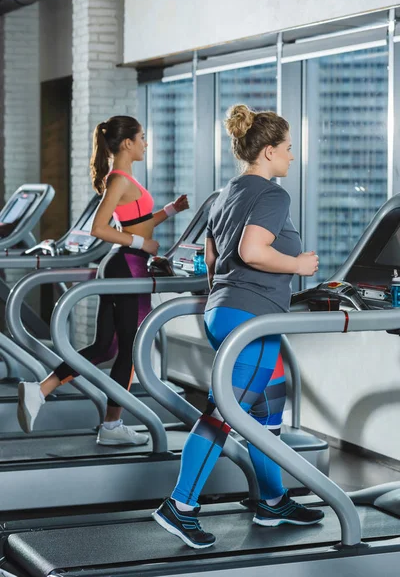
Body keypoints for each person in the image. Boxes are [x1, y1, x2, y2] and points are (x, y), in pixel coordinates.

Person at [153, 104, 323, 549]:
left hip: (227, 312)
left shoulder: (223, 193)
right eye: (287, 148)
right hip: (251, 316)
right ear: (267, 152)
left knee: (268, 409)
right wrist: (299, 265)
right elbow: (252, 250)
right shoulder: (273, 194)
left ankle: (272, 500)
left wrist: (226, 295)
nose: (291, 156)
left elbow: (211, 258)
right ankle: (181, 505)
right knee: (225, 412)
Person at [17, 115, 189, 446]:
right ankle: (112, 426)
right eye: (142, 138)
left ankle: (40, 390)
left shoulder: (123, 179)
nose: (145, 143)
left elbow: (137, 222)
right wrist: (142, 245)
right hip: (128, 265)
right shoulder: (120, 180)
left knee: (106, 346)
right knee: (131, 350)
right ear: (127, 143)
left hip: (122, 264)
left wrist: (170, 210)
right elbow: (100, 228)